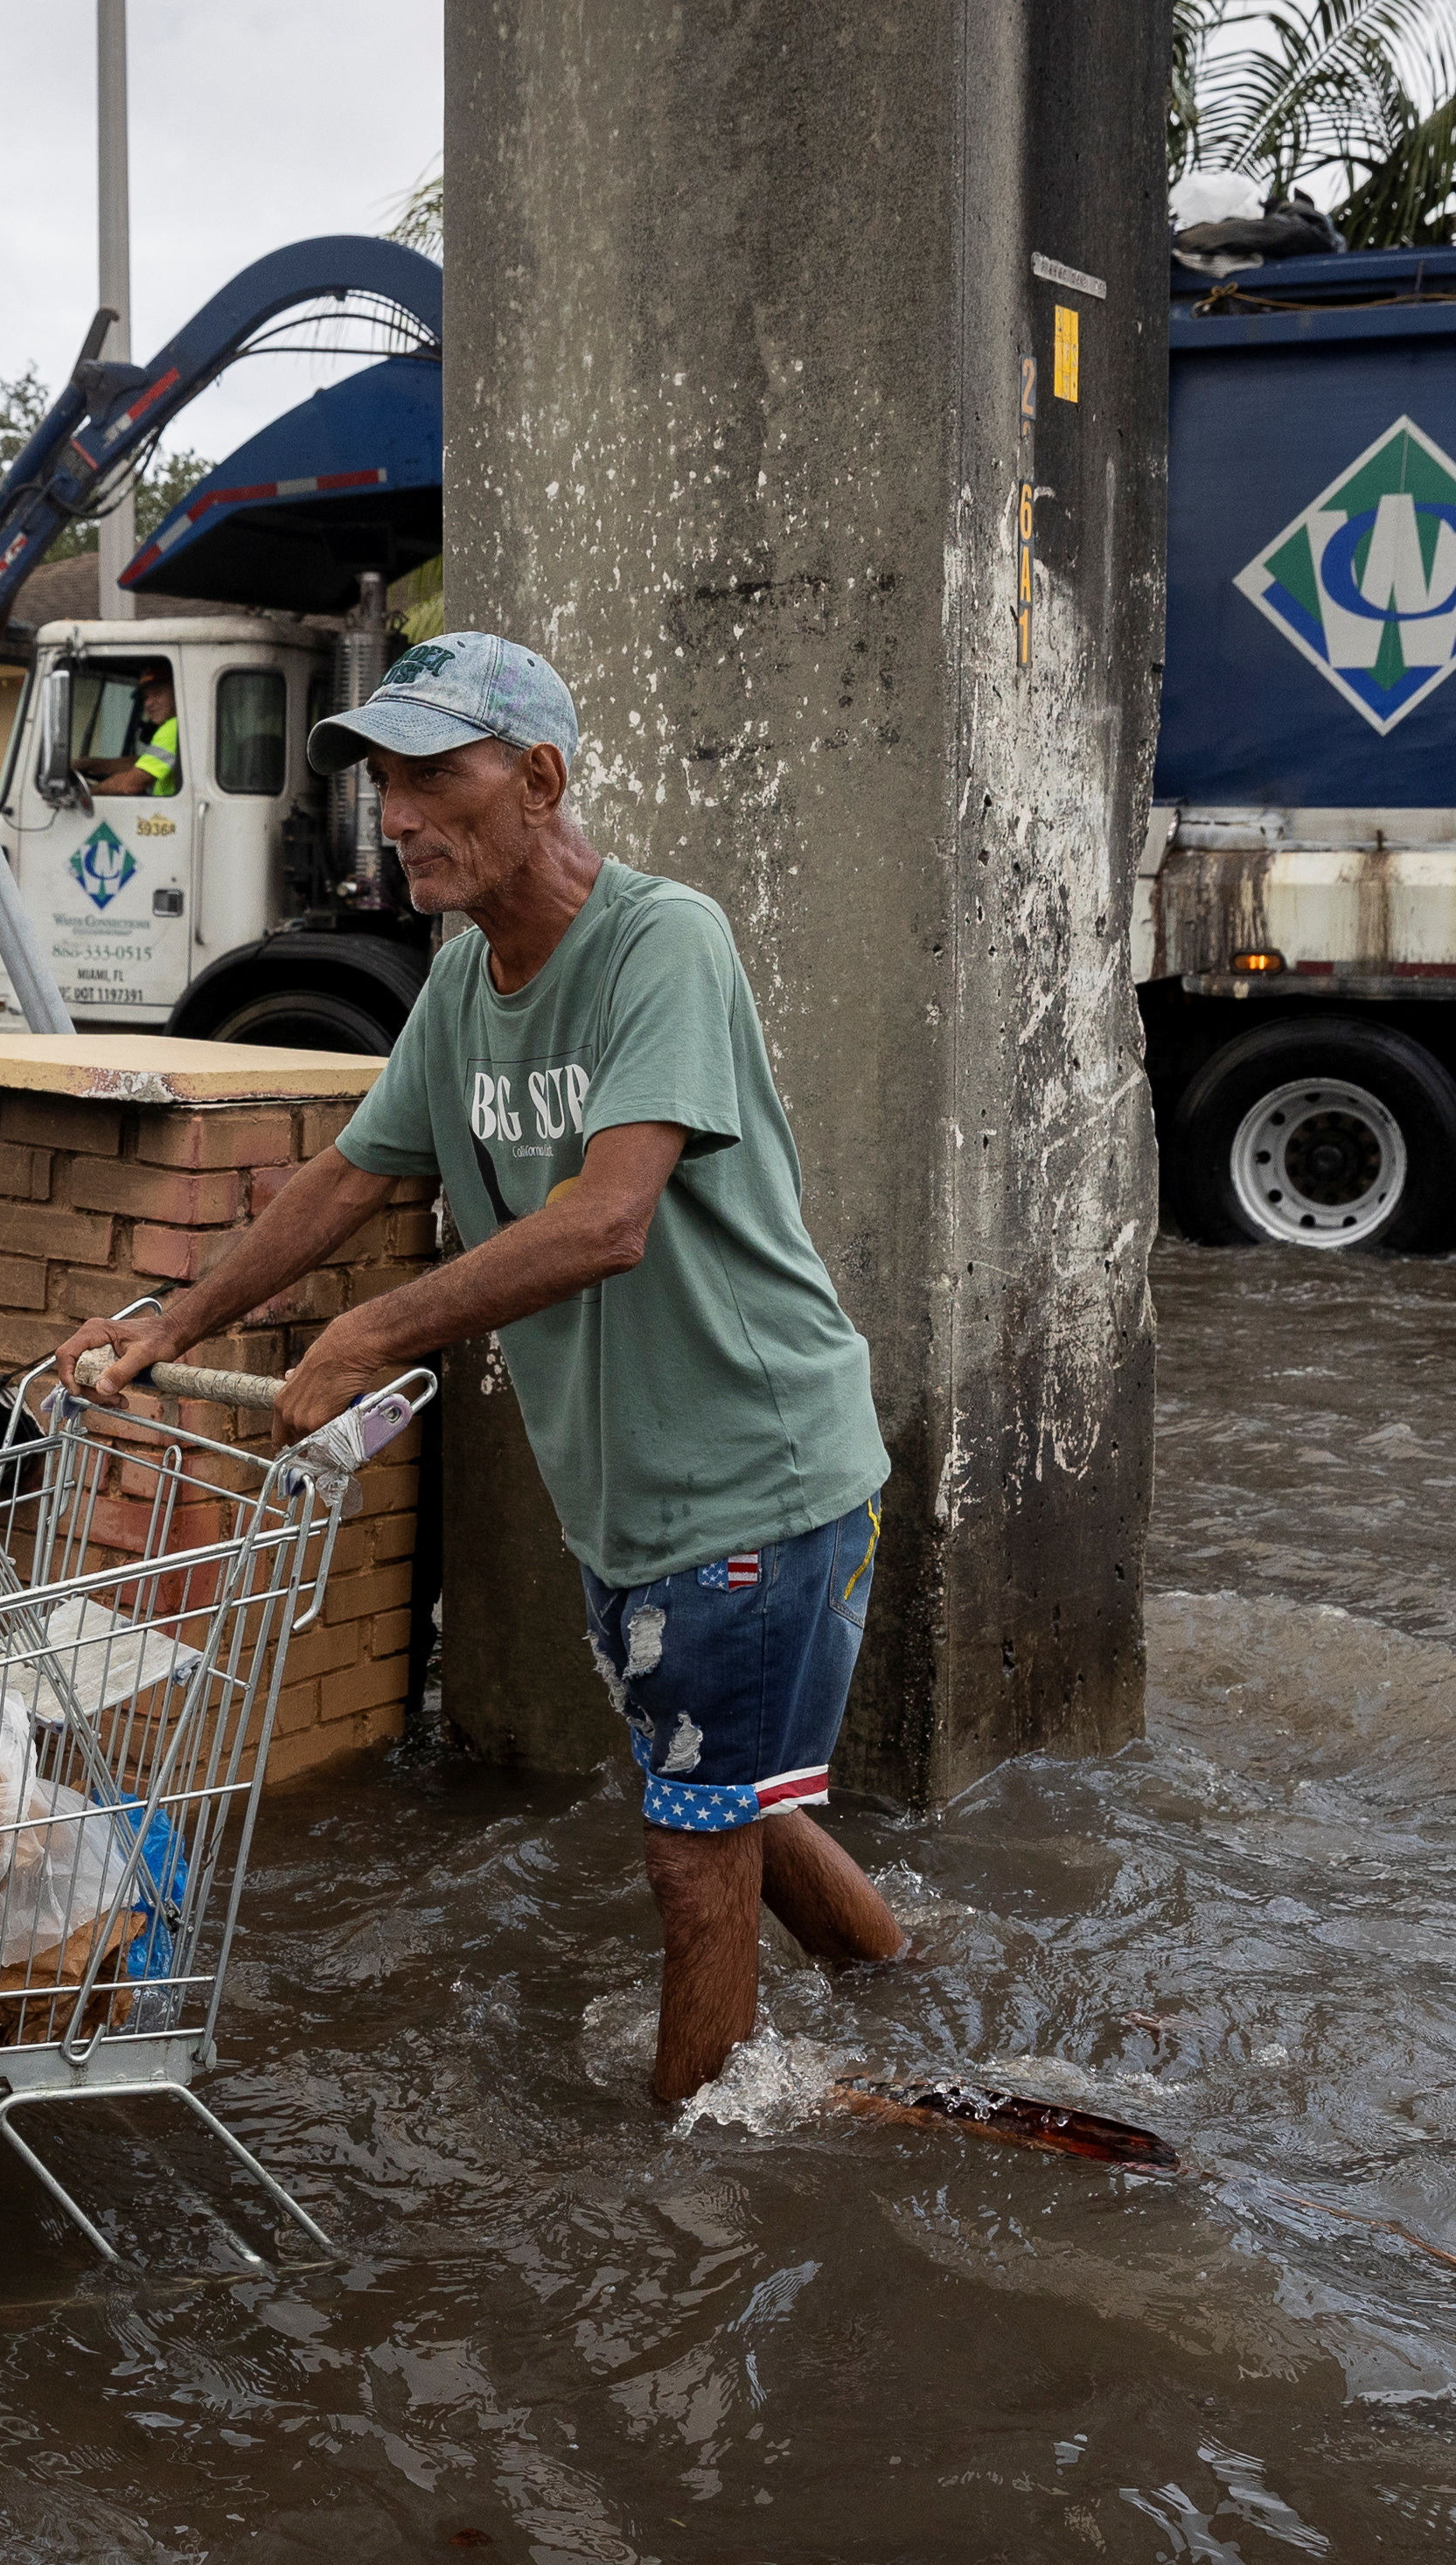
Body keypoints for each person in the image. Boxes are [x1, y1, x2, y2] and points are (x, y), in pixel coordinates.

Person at [50, 632, 907, 2102]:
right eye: (384, 779)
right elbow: (345, 1178)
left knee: (690, 1852)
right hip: (629, 1494)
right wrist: (168, 1323)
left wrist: (376, 1329)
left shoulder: (662, 941)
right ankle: (902, 1984)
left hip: (754, 1477)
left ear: (542, 776)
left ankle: (693, 2166)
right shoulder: (459, 990)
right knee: (719, 1796)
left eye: (432, 775)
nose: (395, 814)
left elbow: (611, 1213)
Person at [90, 667, 181, 797]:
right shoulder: (177, 726)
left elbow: (130, 785)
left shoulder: (173, 728)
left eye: (158, 693)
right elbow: (140, 763)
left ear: (177, 693)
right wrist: (93, 764)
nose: (148, 704)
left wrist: (89, 794)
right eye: (146, 698)